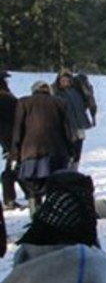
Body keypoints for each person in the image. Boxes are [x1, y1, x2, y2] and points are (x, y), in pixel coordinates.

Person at [12, 80, 75, 213]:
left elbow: (18, 130)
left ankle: (36, 217)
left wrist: (14, 154)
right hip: (57, 152)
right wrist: (71, 150)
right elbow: (67, 130)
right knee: (56, 186)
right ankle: (54, 216)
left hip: (31, 153)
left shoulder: (23, 102)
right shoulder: (60, 102)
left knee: (32, 188)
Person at [52, 70, 95, 171]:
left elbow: (84, 104)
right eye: (62, 80)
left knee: (78, 149)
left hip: (79, 125)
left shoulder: (76, 92)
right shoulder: (56, 93)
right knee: (68, 151)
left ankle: (74, 170)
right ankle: (66, 170)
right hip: (65, 127)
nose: (65, 82)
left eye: (67, 80)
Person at [0, 71, 27, 210]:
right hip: (13, 138)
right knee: (14, 169)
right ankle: (11, 198)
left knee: (16, 168)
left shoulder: (6, 97)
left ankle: (13, 197)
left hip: (10, 138)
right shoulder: (5, 98)